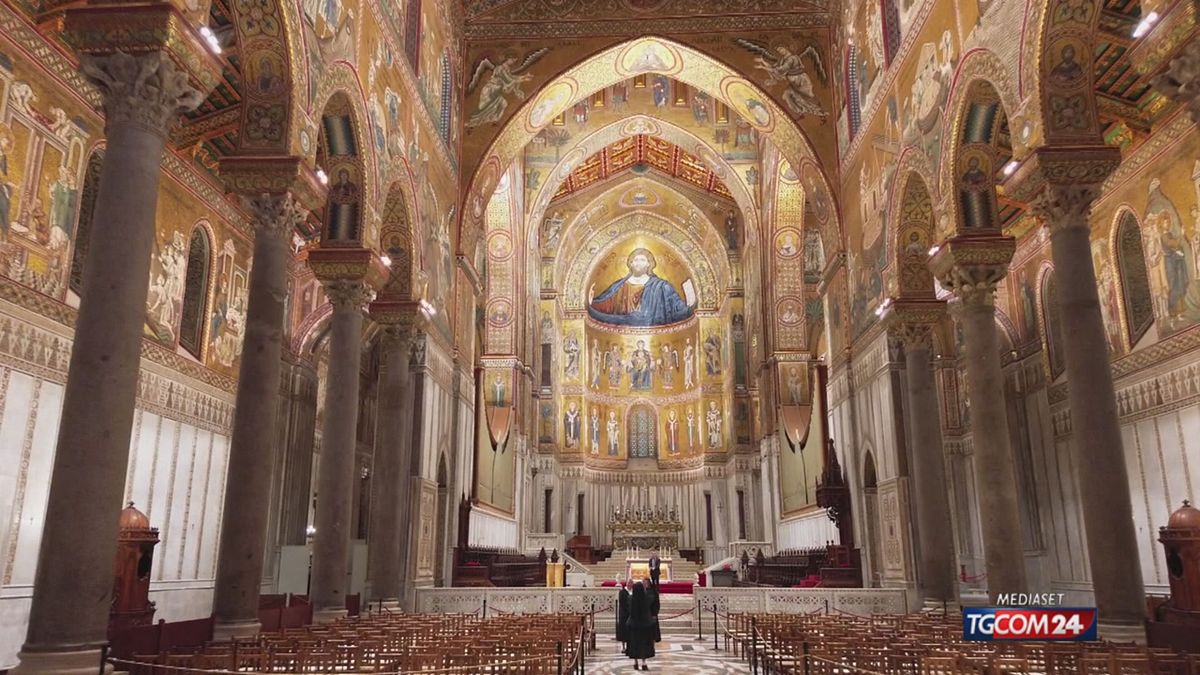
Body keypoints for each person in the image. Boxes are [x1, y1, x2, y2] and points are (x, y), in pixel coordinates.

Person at [624, 583, 656, 670]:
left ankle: (635, 662)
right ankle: (644, 663)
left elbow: (629, 610)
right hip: (645, 624)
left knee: (634, 644)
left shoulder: (630, 598)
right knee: (644, 644)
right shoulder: (647, 599)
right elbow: (653, 598)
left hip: (634, 625)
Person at [643, 578, 662, 644]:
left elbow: (657, 603)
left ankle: (653, 640)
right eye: (644, 583)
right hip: (644, 614)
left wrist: (655, 613)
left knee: (653, 629)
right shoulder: (641, 591)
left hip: (652, 613)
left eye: (646, 583)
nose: (645, 584)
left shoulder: (653, 592)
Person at [616, 580, 631, 653]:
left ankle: (630, 647)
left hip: (632, 615)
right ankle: (623, 647)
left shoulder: (634, 591)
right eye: (629, 583)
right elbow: (622, 603)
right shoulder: (622, 592)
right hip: (624, 615)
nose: (630, 585)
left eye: (631, 583)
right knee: (623, 631)